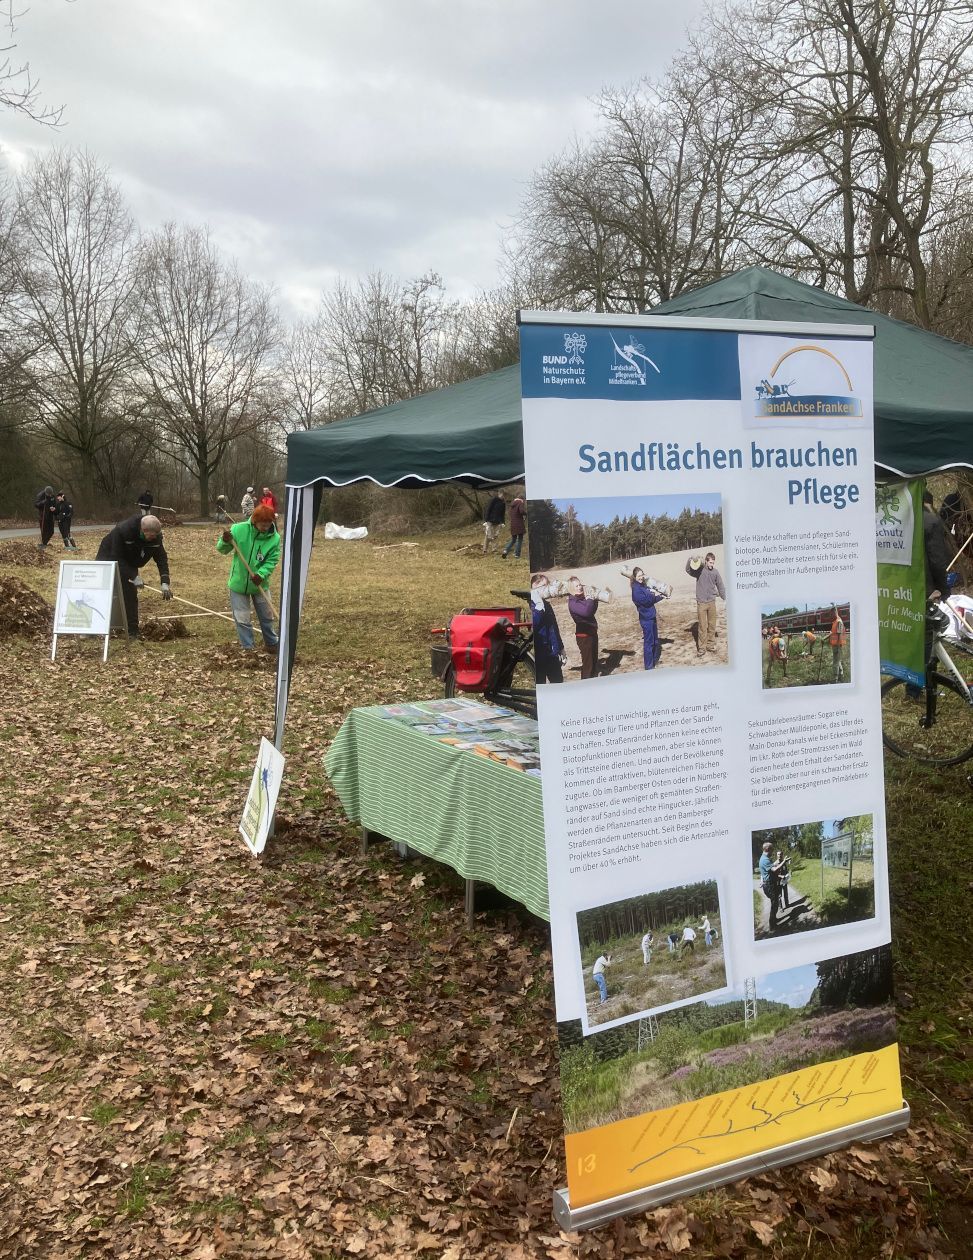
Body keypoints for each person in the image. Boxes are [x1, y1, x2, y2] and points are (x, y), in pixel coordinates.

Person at [217, 503, 281, 652]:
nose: (265, 528)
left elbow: (272, 560)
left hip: (260, 584)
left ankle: (272, 643)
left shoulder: (274, 538)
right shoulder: (239, 530)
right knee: (242, 618)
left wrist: (261, 574)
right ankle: (249, 648)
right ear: (254, 521)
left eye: (268, 524)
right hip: (239, 584)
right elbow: (222, 550)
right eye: (262, 525)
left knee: (267, 616)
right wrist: (225, 540)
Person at [96, 513, 172, 638]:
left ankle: (132, 631)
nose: (153, 539)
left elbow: (161, 559)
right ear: (143, 530)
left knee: (130, 594)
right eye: (151, 536)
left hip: (129, 560)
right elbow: (116, 557)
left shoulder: (156, 537)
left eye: (155, 536)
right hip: (108, 556)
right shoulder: (123, 530)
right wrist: (133, 576)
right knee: (106, 592)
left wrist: (165, 582)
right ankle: (96, 627)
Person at [567, 576, 611, 679]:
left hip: (592, 633)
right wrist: (590, 599)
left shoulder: (581, 598)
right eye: (576, 586)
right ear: (571, 588)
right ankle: (585, 686)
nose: (580, 587)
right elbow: (586, 612)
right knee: (588, 666)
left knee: (594, 662)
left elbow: (591, 611)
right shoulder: (573, 602)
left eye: (580, 584)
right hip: (584, 637)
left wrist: (595, 600)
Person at [686, 552, 726, 656]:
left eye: (713, 563)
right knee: (703, 627)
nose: (712, 564)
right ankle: (702, 648)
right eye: (710, 562)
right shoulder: (699, 570)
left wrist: (724, 597)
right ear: (706, 561)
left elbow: (720, 585)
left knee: (712, 625)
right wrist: (690, 560)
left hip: (712, 602)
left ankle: (710, 645)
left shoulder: (716, 572)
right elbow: (688, 570)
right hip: (702, 603)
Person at [530, 573, 565, 683]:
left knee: (558, 683)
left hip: (552, 653)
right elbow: (534, 624)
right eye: (544, 586)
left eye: (547, 586)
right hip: (539, 655)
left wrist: (561, 648)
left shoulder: (547, 605)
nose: (547, 590)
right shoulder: (530, 604)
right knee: (541, 685)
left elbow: (554, 627)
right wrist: (539, 607)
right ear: (534, 586)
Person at [629, 565, 666, 669]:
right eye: (639, 576)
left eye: (642, 575)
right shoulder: (636, 590)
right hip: (646, 619)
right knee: (648, 643)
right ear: (635, 577)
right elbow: (648, 601)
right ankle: (649, 667)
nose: (641, 577)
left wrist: (659, 595)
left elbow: (651, 596)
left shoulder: (642, 586)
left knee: (655, 641)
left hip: (652, 616)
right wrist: (658, 596)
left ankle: (654, 662)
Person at [758, 841, 783, 930]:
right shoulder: (765, 860)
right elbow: (774, 868)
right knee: (774, 904)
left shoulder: (764, 858)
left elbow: (771, 866)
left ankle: (774, 919)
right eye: (772, 850)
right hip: (769, 885)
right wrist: (783, 862)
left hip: (769, 884)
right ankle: (772, 925)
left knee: (775, 903)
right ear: (768, 849)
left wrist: (776, 861)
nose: (772, 852)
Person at [830, 605, 846, 682]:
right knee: (838, 661)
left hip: (837, 645)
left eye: (832, 613)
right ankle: (841, 676)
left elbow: (839, 634)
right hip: (835, 645)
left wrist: (839, 646)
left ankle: (835, 679)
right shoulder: (835, 621)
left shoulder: (839, 621)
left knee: (835, 662)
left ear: (835, 612)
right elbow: (833, 633)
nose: (831, 615)